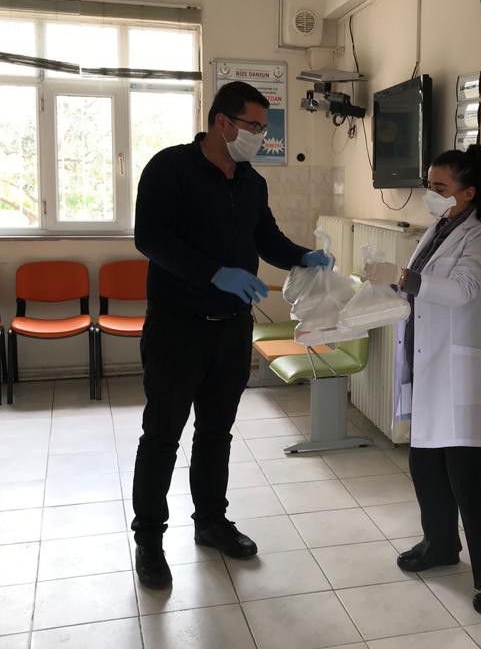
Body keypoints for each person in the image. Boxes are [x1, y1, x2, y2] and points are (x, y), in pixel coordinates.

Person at [131, 80, 331, 589]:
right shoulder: (169, 168)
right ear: (222, 122)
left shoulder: (251, 182)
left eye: (264, 127)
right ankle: (149, 540)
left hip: (232, 328)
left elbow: (266, 238)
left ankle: (211, 522)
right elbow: (150, 238)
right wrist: (213, 273)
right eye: (253, 126)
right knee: (163, 435)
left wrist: (302, 256)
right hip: (177, 326)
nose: (261, 136)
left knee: (216, 432)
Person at [365, 144, 481, 615]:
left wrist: (403, 277)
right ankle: (440, 544)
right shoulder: (441, 228)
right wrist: (391, 281)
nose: (430, 194)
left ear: (468, 193)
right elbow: (419, 284)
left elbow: (461, 290)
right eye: (429, 184)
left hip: (458, 373)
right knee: (425, 466)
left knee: (466, 479)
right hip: (428, 362)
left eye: (440, 187)